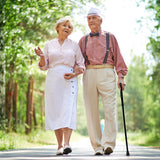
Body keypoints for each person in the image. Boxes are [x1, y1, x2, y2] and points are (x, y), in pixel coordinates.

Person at [79, 7, 128, 155]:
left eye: (94, 18)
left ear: (101, 20)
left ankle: (108, 144)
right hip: (89, 73)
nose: (91, 21)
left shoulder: (110, 37)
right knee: (91, 111)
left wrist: (121, 77)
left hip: (107, 71)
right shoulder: (83, 40)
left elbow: (118, 57)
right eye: (89, 18)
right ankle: (97, 146)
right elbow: (77, 61)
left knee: (110, 109)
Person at [34, 16, 85, 155]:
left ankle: (67, 144)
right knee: (56, 110)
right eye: (64, 26)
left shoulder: (74, 45)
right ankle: (59, 146)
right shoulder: (49, 44)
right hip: (53, 79)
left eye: (69, 27)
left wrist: (74, 74)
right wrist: (42, 57)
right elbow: (44, 67)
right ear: (57, 28)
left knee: (68, 109)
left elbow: (81, 65)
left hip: (69, 79)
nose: (67, 28)